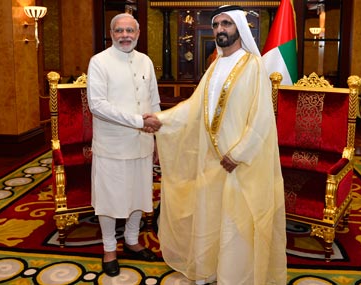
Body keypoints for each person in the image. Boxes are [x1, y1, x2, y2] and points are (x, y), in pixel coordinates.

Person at [153, 5, 287, 285]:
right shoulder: (214, 66)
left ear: (238, 27)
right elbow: (193, 108)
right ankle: (207, 270)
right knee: (210, 214)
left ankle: (234, 277)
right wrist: (160, 120)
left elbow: (262, 117)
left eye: (226, 24)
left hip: (237, 162)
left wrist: (238, 154)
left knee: (235, 222)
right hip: (210, 157)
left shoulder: (253, 65)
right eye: (216, 25)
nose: (220, 30)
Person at [86, 13, 162, 277]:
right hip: (112, 146)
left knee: (138, 195)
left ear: (138, 33)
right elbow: (97, 105)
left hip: (142, 143)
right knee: (109, 200)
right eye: (119, 30)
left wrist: (156, 133)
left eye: (130, 30)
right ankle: (108, 248)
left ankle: (131, 240)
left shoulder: (146, 61)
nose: (125, 35)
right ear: (112, 33)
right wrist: (138, 121)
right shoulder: (99, 62)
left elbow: (154, 100)